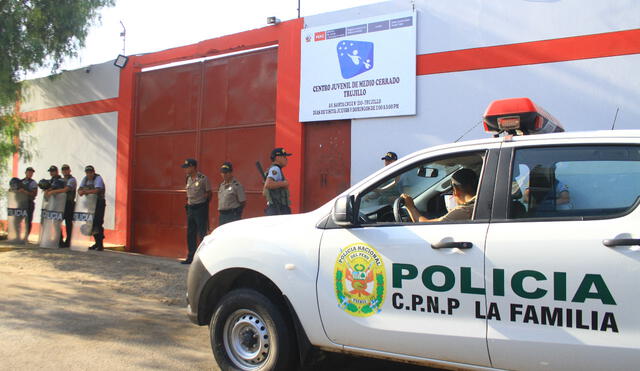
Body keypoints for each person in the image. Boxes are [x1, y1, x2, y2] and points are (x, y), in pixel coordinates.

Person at [401, 168, 478, 222]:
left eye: (452, 190)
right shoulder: (478, 204)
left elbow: (425, 225)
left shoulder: (464, 210)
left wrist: (410, 207)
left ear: (456, 190)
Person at [182, 158, 212, 264]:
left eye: (187, 167)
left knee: (202, 233)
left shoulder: (203, 179)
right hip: (190, 208)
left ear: (193, 167)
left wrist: (204, 205)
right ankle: (191, 257)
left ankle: (203, 258)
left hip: (200, 208)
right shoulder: (188, 178)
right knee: (190, 233)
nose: (185, 169)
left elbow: (209, 193)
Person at [44, 164, 77, 247]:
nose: (65, 171)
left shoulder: (72, 180)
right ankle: (59, 240)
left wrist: (53, 191)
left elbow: (66, 189)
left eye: (66, 169)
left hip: (69, 203)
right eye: (63, 170)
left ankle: (68, 241)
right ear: (62, 171)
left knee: (68, 223)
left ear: (69, 170)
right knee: (56, 222)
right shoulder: (60, 180)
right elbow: (54, 187)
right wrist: (48, 190)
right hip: (59, 203)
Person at [78, 165, 106, 251]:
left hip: (99, 203)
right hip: (90, 204)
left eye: (90, 172)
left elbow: (97, 190)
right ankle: (96, 243)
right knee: (91, 223)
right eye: (87, 172)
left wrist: (85, 191)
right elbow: (79, 190)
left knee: (98, 223)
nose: (89, 174)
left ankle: (100, 244)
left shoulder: (98, 178)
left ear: (94, 172)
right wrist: (81, 191)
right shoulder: (85, 179)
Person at [263, 147, 292, 215]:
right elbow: (268, 184)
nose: (286, 159)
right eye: (284, 156)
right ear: (277, 158)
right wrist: (284, 184)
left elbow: (264, 193)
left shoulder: (273, 169)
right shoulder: (276, 169)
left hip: (274, 207)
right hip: (278, 208)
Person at [217, 162, 246, 226]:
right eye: (222, 173)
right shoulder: (221, 185)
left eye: (226, 173)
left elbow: (242, 202)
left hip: (232, 215)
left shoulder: (237, 186)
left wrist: (237, 213)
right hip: (222, 215)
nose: (224, 175)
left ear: (230, 173)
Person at [18, 167, 38, 238]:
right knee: (18, 220)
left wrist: (25, 192)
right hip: (21, 203)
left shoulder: (33, 183)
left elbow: (34, 194)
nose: (30, 173)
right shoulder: (20, 181)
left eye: (31, 172)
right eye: (29, 172)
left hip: (29, 202)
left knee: (28, 220)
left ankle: (26, 237)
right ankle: (17, 236)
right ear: (25, 172)